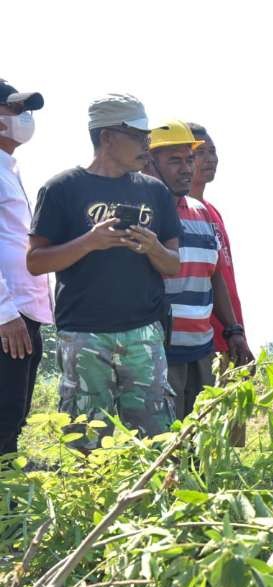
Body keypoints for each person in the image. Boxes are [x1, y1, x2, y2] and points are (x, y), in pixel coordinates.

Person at [26, 94, 180, 440]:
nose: (147, 144)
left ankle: (148, 497)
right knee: (85, 441)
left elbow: (173, 265)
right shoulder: (61, 188)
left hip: (144, 332)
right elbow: (35, 262)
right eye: (139, 136)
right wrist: (89, 242)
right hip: (84, 333)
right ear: (108, 136)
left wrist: (152, 246)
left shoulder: (156, 192)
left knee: (155, 440)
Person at [141, 121, 252, 419]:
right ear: (149, 163)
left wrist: (233, 330)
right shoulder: (143, 211)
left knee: (202, 441)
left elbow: (214, 274)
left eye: (189, 159)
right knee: (165, 443)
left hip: (201, 349)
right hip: (160, 351)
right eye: (175, 161)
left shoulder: (200, 211)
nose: (186, 168)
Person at [0, 79, 51, 456]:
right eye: (14, 110)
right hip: (8, 316)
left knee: (15, 418)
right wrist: (4, 312)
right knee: (4, 421)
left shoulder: (9, 168)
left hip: (25, 312)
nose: (23, 118)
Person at [187, 122, 247, 366]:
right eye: (199, 153)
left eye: (212, 151)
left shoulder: (211, 211)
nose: (210, 159)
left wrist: (236, 330)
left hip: (229, 336)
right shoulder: (176, 214)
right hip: (201, 341)